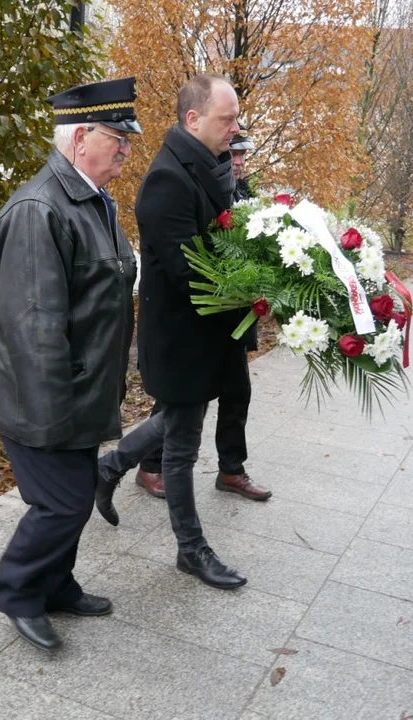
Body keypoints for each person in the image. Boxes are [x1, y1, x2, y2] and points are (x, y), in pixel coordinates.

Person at [0, 77, 141, 652]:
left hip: (80, 391)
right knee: (64, 502)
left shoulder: (92, 201)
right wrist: (56, 417)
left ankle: (56, 584)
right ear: (80, 138)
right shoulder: (38, 209)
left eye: (128, 140)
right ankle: (19, 592)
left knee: (70, 499)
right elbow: (34, 327)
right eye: (117, 138)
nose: (126, 149)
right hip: (46, 399)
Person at [97, 74, 253, 592]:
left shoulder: (209, 165)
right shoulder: (168, 178)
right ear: (193, 120)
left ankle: (111, 466)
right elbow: (192, 272)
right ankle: (192, 550)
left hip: (209, 331)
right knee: (182, 444)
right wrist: (250, 290)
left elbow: (226, 242)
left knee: (175, 422)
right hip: (182, 335)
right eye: (225, 119)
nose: (234, 128)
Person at [112, 127, 270, 506]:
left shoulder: (241, 192)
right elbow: (189, 258)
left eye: (242, 156)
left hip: (229, 315)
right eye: (232, 155)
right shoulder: (177, 181)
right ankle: (147, 465)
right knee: (180, 402)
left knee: (237, 392)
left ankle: (231, 469)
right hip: (193, 316)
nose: (238, 162)